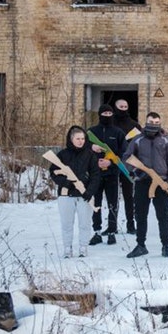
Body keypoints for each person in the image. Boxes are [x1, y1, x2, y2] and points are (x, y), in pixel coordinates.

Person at [123, 112, 168, 258]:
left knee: (163, 215)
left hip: (161, 182)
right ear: (146, 122)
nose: (154, 124)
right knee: (140, 214)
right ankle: (141, 245)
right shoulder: (137, 139)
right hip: (143, 182)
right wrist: (135, 172)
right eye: (151, 121)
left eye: (157, 122)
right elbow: (127, 157)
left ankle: (166, 245)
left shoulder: (165, 140)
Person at [49, 125, 100, 258]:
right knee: (67, 224)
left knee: (85, 224)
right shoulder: (62, 154)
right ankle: (67, 248)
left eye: (83, 138)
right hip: (66, 196)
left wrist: (89, 191)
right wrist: (67, 183)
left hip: (85, 196)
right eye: (77, 138)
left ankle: (83, 248)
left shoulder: (90, 155)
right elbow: (53, 172)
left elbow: (96, 175)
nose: (80, 141)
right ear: (71, 139)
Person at [87, 104, 125, 246]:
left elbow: (124, 153)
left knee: (112, 203)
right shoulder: (91, 132)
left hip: (112, 173)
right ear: (100, 115)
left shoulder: (118, 132)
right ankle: (97, 232)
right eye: (105, 113)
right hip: (95, 174)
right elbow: (82, 149)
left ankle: (111, 232)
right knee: (95, 203)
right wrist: (91, 148)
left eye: (110, 114)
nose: (107, 116)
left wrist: (110, 162)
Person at [113, 99, 141, 234]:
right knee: (113, 196)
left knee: (129, 195)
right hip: (112, 163)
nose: (123, 109)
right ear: (116, 107)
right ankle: (111, 225)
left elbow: (141, 144)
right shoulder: (110, 123)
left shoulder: (134, 125)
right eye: (121, 106)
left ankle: (131, 224)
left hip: (128, 164)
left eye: (125, 106)